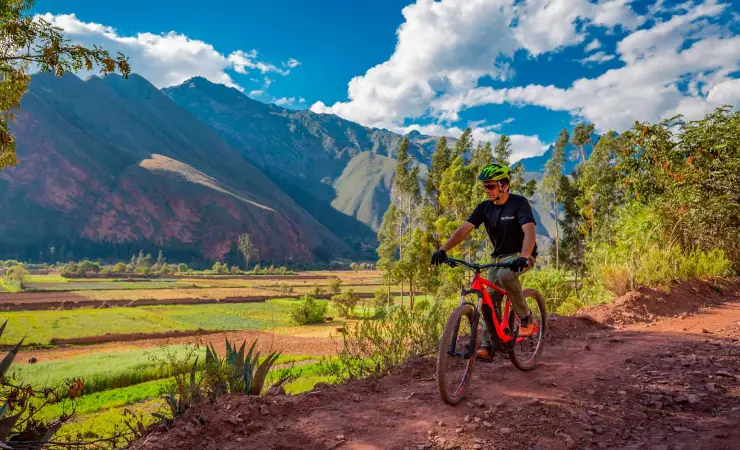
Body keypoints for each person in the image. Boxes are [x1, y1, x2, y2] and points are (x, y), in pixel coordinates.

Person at [430, 163, 537, 360]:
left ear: (503, 185)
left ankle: (525, 317)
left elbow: (529, 231)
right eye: (484, 186)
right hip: (498, 258)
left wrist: (523, 257)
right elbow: (464, 229)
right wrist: (443, 249)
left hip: (522, 254)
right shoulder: (484, 208)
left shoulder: (519, 203)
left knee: (506, 276)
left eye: (490, 186)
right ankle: (489, 344)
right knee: (488, 299)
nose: (486, 190)